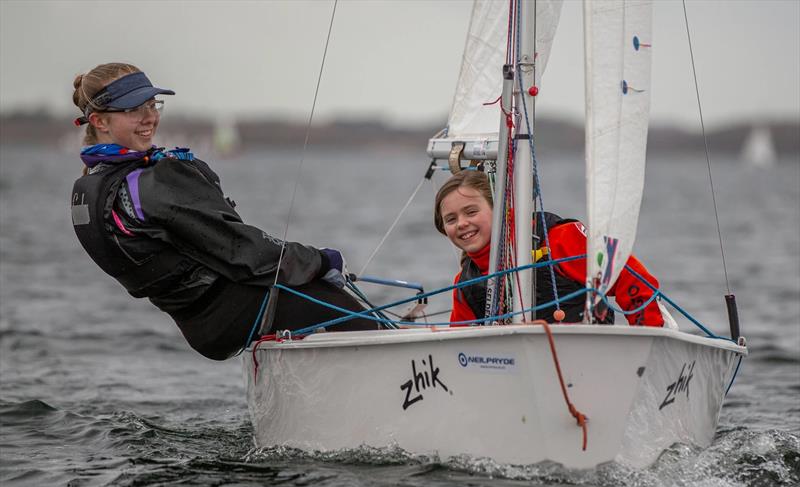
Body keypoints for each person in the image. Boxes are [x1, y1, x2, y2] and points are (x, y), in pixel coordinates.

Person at [70, 63, 377, 360]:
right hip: (234, 312)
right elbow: (241, 250)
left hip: (200, 326)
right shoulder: (149, 183)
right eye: (134, 109)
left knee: (307, 293)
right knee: (343, 308)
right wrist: (322, 260)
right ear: (99, 121)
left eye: (153, 105)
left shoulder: (90, 186)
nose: (149, 117)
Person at [433, 170, 668, 327]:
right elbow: (461, 347)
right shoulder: (465, 284)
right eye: (451, 219)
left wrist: (648, 344)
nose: (462, 223)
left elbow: (633, 279)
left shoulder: (561, 239)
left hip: (592, 364)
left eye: (471, 212)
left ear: (501, 209)